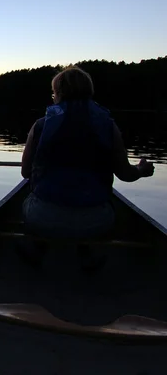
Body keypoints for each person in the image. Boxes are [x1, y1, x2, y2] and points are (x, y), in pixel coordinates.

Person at [19, 66, 154, 268]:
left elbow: (25, 172)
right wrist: (141, 170)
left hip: (43, 218)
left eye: (53, 93)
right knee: (105, 206)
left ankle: (38, 250)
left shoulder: (40, 126)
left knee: (29, 200)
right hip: (95, 222)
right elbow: (125, 174)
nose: (53, 97)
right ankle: (88, 255)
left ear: (59, 94)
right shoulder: (108, 126)